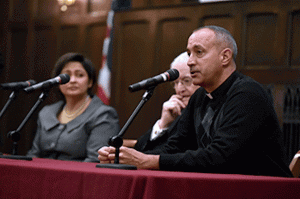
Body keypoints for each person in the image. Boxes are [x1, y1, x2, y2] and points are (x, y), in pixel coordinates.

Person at [98, 26, 293, 177]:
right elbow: (174, 147)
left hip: (264, 189)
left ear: (225, 56)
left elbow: (219, 157)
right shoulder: (200, 96)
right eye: (189, 53)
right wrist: (126, 158)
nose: (190, 61)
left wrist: (148, 161)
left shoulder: (247, 94)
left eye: (198, 52)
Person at [27, 52, 120, 162]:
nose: (73, 80)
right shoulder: (47, 112)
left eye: (80, 75)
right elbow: (34, 154)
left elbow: (95, 160)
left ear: (90, 82)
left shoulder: (104, 115)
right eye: (66, 76)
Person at [133, 52, 200, 152]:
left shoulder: (204, 112)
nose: (179, 89)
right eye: (176, 83)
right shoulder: (177, 110)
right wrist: (162, 125)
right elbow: (139, 150)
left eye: (186, 81)